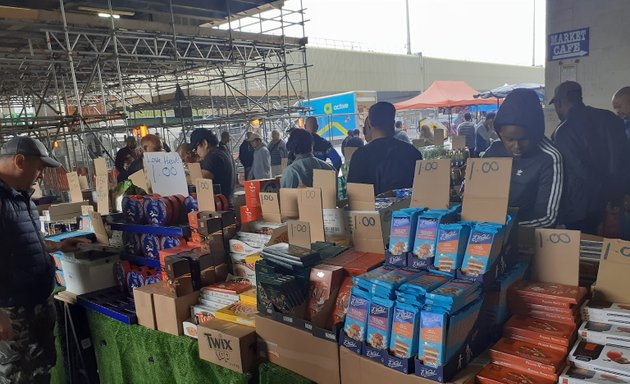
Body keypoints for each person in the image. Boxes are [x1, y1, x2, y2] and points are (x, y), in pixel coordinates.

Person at [0, 137, 90, 384]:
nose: (40, 175)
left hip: (37, 303)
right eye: (39, 168)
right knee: (16, 376)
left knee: (41, 370)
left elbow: (23, 241)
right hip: (12, 311)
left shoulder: (21, 196)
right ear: (20, 161)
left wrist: (58, 246)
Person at [551, 81, 629, 234]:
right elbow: (624, 159)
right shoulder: (610, 118)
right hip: (616, 203)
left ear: (560, 102)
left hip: (581, 209)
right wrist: (615, 196)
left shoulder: (563, 131)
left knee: (585, 253)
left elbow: (580, 171)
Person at [483, 88, 563, 228]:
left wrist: (505, 229)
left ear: (536, 132)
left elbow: (547, 218)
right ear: (500, 133)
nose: (517, 146)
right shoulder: (494, 150)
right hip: (490, 228)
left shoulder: (549, 157)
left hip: (526, 234)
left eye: (524, 139)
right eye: (509, 139)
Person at [347, 102, 423, 195]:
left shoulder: (360, 156)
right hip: (408, 209)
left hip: (372, 209)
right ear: (393, 123)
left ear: (370, 123)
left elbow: (354, 197)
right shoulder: (413, 153)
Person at [190, 128, 234, 201]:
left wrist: (183, 178)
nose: (196, 153)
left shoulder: (212, 157)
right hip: (226, 202)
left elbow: (200, 180)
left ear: (204, 143)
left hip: (221, 206)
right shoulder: (221, 151)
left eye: (195, 148)